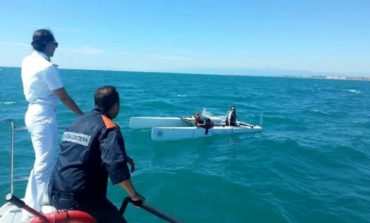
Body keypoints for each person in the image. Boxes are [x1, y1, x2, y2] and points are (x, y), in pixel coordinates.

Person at [49, 86, 144, 223]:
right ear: (115, 105)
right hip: (81, 200)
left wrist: (123, 156)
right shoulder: (109, 127)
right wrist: (134, 195)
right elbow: (116, 168)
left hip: (55, 192)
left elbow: (82, 151)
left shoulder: (78, 122)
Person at [21, 29, 83, 222]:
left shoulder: (27, 60)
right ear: (48, 44)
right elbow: (63, 96)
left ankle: (43, 197)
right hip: (43, 117)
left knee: (43, 161)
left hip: (32, 113)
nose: (56, 47)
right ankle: (31, 210)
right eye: (55, 44)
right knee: (43, 164)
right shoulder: (47, 67)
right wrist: (82, 116)